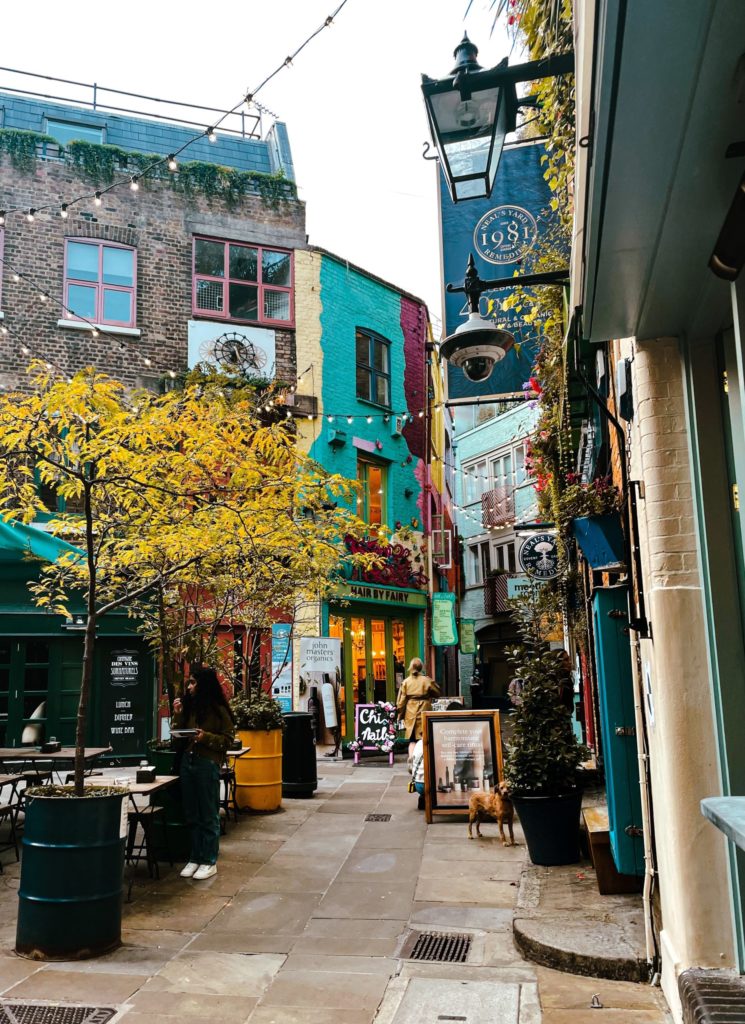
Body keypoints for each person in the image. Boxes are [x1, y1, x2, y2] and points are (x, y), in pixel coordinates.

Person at [172, 667, 235, 880]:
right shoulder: (189, 708)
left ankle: (209, 860)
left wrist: (205, 737)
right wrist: (178, 715)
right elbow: (177, 738)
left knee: (208, 813)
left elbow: (228, 740)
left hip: (207, 763)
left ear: (203, 685)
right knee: (191, 813)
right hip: (187, 762)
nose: (189, 687)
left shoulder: (218, 711)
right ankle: (195, 857)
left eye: (192, 683)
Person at [396, 657, 440, 755]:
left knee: (412, 741)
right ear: (421, 667)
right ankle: (424, 762)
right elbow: (437, 693)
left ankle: (411, 761)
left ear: (410, 667)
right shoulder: (427, 680)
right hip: (425, 711)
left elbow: (401, 702)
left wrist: (400, 715)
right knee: (425, 739)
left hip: (411, 713)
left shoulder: (406, 682)